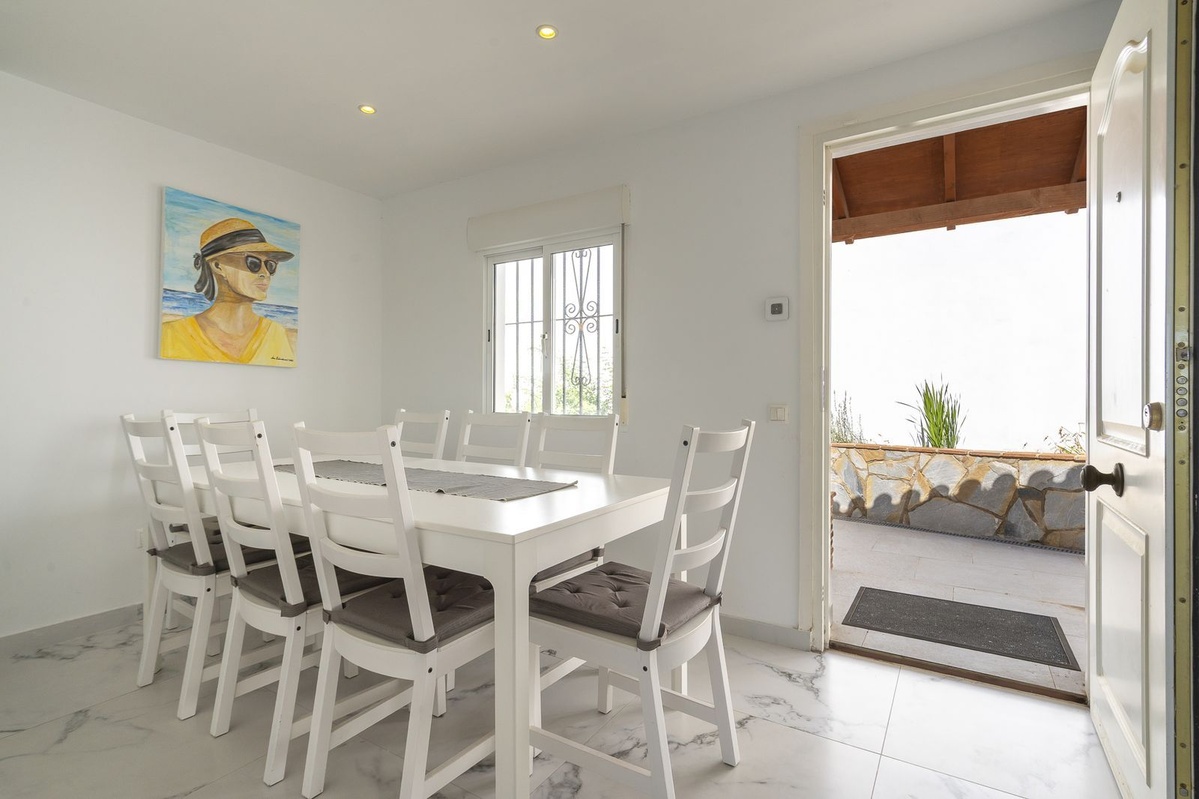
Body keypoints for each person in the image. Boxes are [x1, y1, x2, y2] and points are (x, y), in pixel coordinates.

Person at [160, 218, 296, 366]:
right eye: (253, 263)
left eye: (270, 265)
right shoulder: (171, 334)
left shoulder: (275, 333)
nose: (266, 273)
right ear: (218, 266)